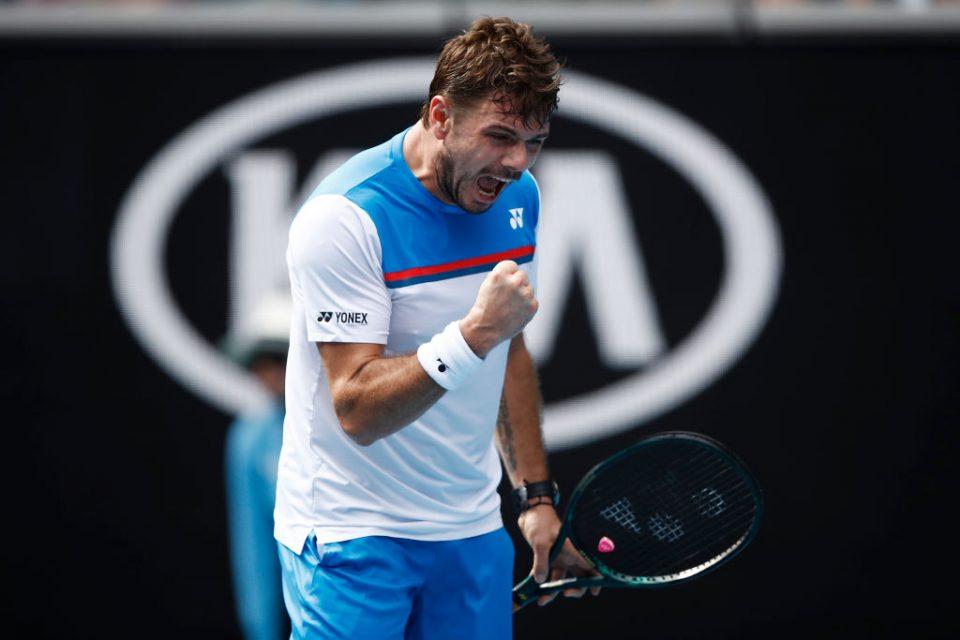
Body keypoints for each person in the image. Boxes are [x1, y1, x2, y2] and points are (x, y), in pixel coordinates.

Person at [274, 16, 597, 640]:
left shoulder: (518, 196)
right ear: (441, 116)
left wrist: (535, 499)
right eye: (499, 135)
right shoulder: (345, 217)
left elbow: (509, 349)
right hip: (350, 531)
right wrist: (472, 336)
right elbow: (356, 409)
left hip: (469, 529)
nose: (515, 162)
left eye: (533, 142)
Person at [223, 293, 291, 640]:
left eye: (278, 359)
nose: (269, 374)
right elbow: (253, 548)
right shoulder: (249, 438)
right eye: (259, 363)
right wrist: (262, 632)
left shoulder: (356, 424)